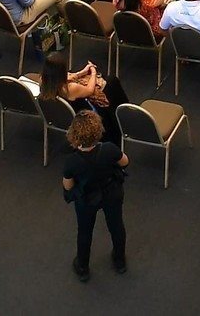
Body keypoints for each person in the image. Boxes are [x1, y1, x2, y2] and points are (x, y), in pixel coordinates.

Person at [60, 109, 129, 280]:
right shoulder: (109, 149)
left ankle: (82, 267)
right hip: (111, 193)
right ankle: (119, 261)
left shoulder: (71, 161)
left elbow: (68, 187)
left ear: (74, 135)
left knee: (84, 231)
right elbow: (125, 162)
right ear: (98, 130)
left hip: (86, 199)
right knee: (116, 226)